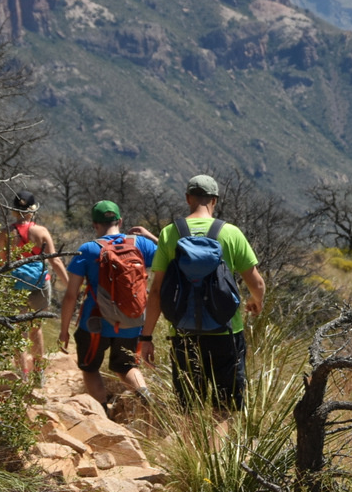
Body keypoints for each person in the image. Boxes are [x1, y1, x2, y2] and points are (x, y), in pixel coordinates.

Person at [139, 174, 265, 412]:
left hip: (184, 334)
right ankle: (217, 449)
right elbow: (256, 283)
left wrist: (146, 337)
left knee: (187, 408)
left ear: (188, 198)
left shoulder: (169, 233)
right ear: (214, 200)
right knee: (225, 409)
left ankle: (189, 448)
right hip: (227, 332)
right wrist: (255, 302)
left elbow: (155, 292)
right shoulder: (231, 233)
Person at [58, 200, 156, 406]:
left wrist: (64, 330)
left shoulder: (88, 250)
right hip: (132, 320)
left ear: (95, 225)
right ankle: (147, 398)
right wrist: (152, 237)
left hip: (95, 323)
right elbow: (174, 256)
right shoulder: (142, 244)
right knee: (126, 366)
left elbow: (71, 295)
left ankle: (102, 413)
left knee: (90, 368)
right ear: (120, 221)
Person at [0, 191, 69, 377]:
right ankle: (39, 375)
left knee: (17, 331)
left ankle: (22, 374)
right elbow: (55, 260)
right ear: (32, 211)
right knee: (36, 329)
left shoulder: (6, 232)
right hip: (39, 284)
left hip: (15, 285)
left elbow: (1, 262)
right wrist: (69, 284)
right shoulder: (41, 231)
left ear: (14, 211)